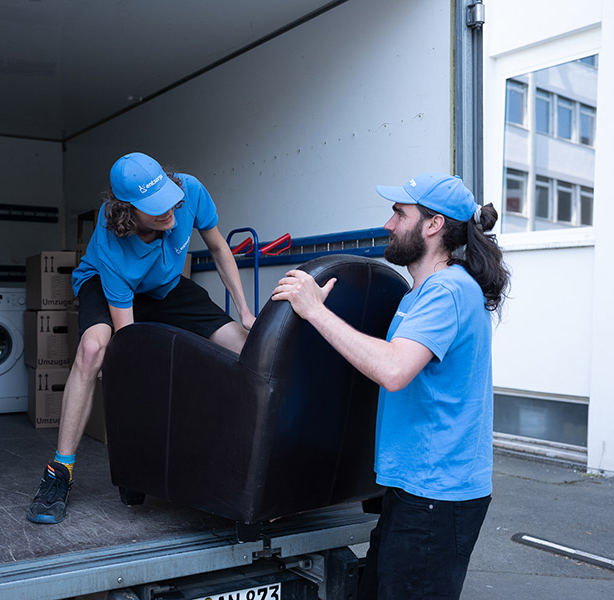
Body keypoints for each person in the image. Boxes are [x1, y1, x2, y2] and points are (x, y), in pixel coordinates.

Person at [271, 173, 510, 599]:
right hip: (413, 488)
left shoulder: (449, 291)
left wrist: (313, 310)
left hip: (437, 498)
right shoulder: (418, 294)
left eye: (400, 214)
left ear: (433, 225)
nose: (389, 223)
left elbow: (394, 370)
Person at [27, 152, 255, 524]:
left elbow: (217, 247)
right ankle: (60, 472)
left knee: (245, 345)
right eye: (155, 208)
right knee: (94, 350)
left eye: (169, 200)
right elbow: (129, 339)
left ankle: (249, 458)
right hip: (106, 287)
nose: (169, 212)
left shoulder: (190, 190)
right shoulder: (110, 243)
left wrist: (244, 311)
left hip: (164, 286)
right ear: (126, 212)